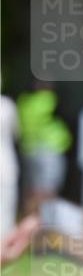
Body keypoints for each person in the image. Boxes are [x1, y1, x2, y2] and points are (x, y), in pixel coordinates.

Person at [17, 84, 71, 212]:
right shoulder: (50, 99)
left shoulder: (24, 101)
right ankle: (45, 222)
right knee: (48, 190)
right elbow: (64, 116)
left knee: (32, 190)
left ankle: (30, 220)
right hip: (50, 150)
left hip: (29, 150)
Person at [1, 94, 19, 237]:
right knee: (6, 205)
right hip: (6, 161)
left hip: (6, 161)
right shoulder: (7, 105)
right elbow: (16, 132)